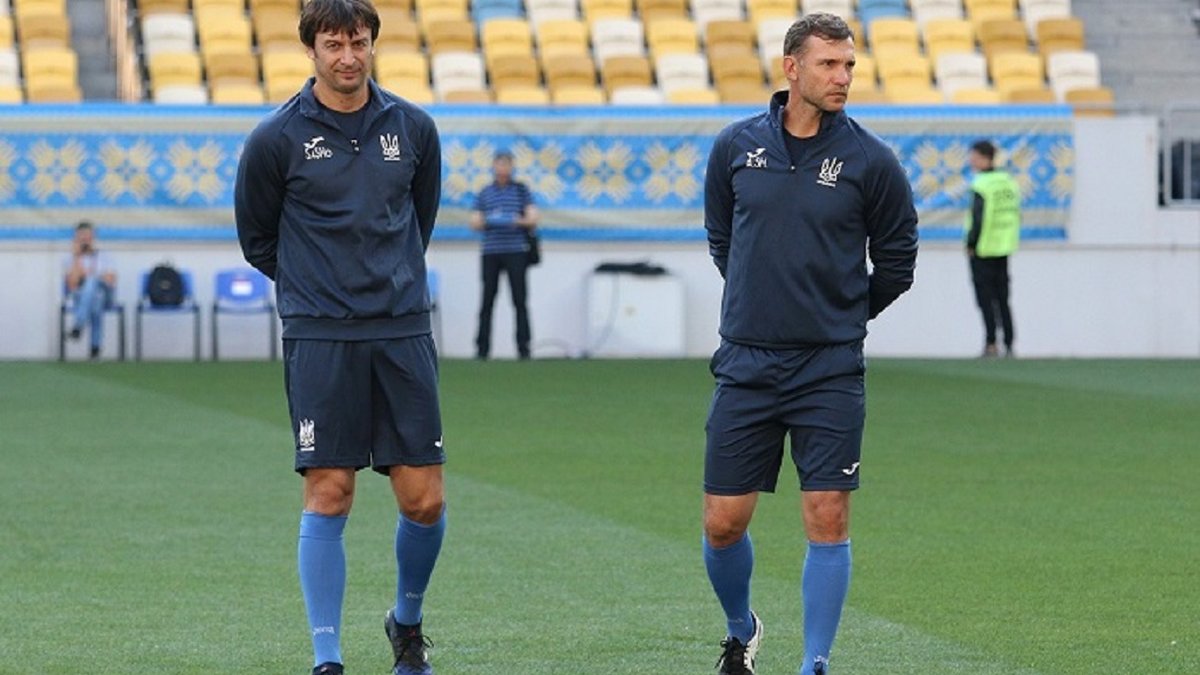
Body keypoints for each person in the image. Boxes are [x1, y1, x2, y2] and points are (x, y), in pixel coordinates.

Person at [701, 13, 918, 675]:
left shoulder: (872, 161)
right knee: (722, 523)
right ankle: (741, 629)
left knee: (827, 514)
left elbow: (898, 261)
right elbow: (723, 240)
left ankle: (815, 662)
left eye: (849, 64)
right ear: (791, 68)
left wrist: (840, 313)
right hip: (746, 361)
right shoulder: (735, 147)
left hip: (829, 368)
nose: (843, 76)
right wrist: (762, 301)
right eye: (829, 64)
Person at [233, 1, 445, 673]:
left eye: (358, 42)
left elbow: (418, 220)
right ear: (311, 50)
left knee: (425, 499)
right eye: (333, 44)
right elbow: (257, 239)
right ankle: (328, 658)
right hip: (321, 336)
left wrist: (386, 280)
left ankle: (405, 623)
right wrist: (317, 287)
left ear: (373, 44)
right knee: (330, 489)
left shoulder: (414, 128)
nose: (348, 56)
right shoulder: (275, 138)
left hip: (402, 329)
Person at [469, 149, 539, 360]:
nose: (502, 168)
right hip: (491, 252)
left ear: (512, 167)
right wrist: (491, 220)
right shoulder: (485, 192)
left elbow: (532, 218)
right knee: (487, 301)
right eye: (499, 164)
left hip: (516, 251)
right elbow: (474, 221)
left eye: (506, 164)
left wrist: (512, 220)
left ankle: (524, 348)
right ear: (493, 166)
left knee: (520, 301)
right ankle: (482, 349)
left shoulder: (521, 191)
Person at [965, 139, 1020, 358]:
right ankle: (1009, 343)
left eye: (974, 157)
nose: (971, 161)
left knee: (985, 299)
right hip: (1004, 246)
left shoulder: (981, 184)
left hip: (983, 249)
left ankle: (991, 343)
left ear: (984, 158)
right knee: (1003, 298)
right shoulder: (1008, 182)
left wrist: (971, 243)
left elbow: (978, 217)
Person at [63, 220, 117, 360]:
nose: (85, 239)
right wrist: (77, 257)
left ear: (93, 237)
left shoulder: (104, 256)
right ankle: (95, 349)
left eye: (87, 236)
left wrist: (91, 276)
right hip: (83, 297)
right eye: (81, 236)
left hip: (107, 295)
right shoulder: (70, 258)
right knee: (95, 298)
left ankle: (78, 325)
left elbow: (111, 280)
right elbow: (72, 284)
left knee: (93, 284)